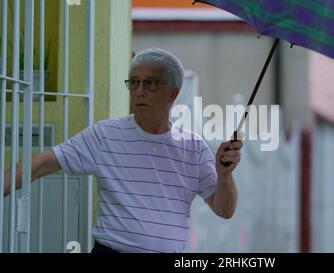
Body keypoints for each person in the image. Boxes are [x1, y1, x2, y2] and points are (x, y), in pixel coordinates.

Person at [2, 48, 242, 253]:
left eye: (150, 83)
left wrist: (224, 175)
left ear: (173, 92)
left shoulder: (194, 148)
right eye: (134, 82)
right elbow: (42, 163)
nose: (139, 91)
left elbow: (225, 210)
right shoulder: (105, 135)